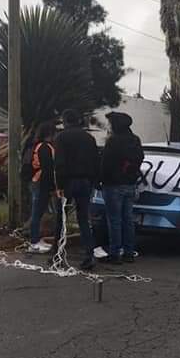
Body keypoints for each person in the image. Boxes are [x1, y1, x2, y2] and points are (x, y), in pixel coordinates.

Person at [53, 109, 98, 270]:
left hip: (68, 180)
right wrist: (93, 181)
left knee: (61, 218)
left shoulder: (61, 138)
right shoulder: (89, 138)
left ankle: (56, 254)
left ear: (65, 121)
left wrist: (59, 185)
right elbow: (95, 160)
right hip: (85, 181)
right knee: (83, 219)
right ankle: (89, 255)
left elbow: (59, 163)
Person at [100, 112, 144, 265]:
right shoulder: (135, 140)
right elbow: (140, 159)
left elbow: (105, 164)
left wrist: (100, 180)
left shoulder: (113, 141)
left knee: (114, 221)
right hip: (130, 184)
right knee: (128, 219)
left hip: (113, 185)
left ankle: (114, 253)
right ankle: (129, 252)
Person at [27, 121, 58, 254]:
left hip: (38, 182)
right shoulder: (45, 147)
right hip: (41, 183)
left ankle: (36, 239)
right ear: (49, 133)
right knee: (37, 212)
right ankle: (34, 242)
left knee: (38, 212)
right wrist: (51, 187)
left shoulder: (40, 146)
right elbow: (47, 169)